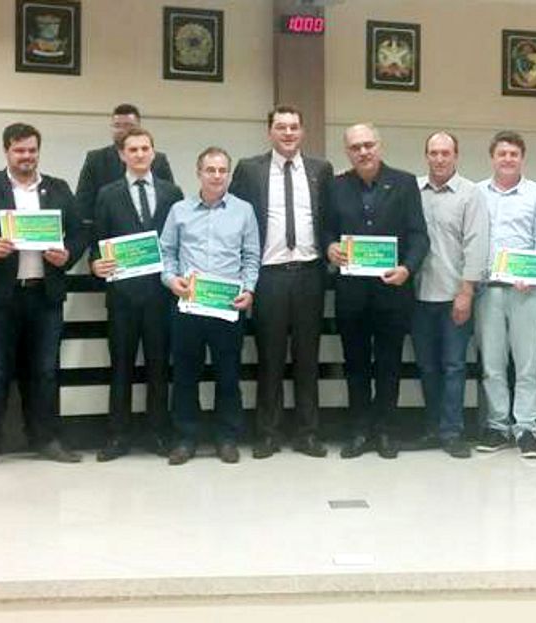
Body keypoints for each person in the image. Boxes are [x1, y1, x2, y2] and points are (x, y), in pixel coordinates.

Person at [0, 122, 89, 471]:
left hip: (45, 295)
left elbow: (79, 234)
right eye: (19, 150)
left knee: (45, 371)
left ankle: (46, 439)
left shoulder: (57, 188)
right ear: (6, 152)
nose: (26, 156)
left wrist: (67, 254)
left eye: (32, 150)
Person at [228, 105, 334, 459]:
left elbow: (329, 219)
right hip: (269, 275)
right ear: (269, 132)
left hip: (309, 273)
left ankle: (307, 433)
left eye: (293, 127)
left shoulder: (321, 169)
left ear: (302, 131)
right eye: (281, 127)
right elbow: (238, 219)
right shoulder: (249, 169)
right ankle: (268, 433)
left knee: (307, 357)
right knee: (270, 357)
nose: (288, 133)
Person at [326, 123, 429, 459]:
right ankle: (358, 431)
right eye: (356, 147)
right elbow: (325, 229)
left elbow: (419, 236)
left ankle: (385, 431)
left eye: (368, 145)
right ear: (347, 152)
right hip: (351, 294)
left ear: (379, 146)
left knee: (389, 364)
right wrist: (329, 247)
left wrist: (407, 269)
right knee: (355, 364)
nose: (363, 152)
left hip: (392, 291)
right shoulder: (336, 186)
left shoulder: (404, 183)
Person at [159, 147, 260, 465]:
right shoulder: (179, 210)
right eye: (210, 170)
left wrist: (249, 290)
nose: (217, 176)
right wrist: (171, 280)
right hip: (188, 305)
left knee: (228, 374)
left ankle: (226, 438)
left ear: (228, 174)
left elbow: (251, 256)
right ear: (199, 173)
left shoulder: (244, 211)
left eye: (222, 170)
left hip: (227, 306)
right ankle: (185, 438)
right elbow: (166, 252)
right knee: (185, 374)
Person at [90, 128, 184, 461]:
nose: (140, 154)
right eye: (133, 149)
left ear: (154, 152)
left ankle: (159, 433)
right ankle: (118, 436)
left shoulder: (172, 192)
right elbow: (97, 240)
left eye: (145, 148)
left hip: (161, 295)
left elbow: (180, 241)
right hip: (122, 297)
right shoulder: (107, 194)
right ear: (122, 155)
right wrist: (95, 263)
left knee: (159, 367)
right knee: (121, 368)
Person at [474, 131, 536, 458]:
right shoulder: (476, 193)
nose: (507, 159)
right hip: (487, 291)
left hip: (527, 292)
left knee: (527, 363)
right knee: (492, 364)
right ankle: (497, 425)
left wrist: (532, 276)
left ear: (522, 158)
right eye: (502, 153)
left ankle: (526, 428)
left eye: (513, 154)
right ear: (492, 157)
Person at [409, 131, 488, 458]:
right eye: (434, 153)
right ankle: (432, 429)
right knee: (427, 366)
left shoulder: (471, 194)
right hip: (418, 295)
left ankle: (452, 432)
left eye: (445, 153)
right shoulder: (412, 190)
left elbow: (476, 245)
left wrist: (466, 292)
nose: (439, 159)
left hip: (455, 294)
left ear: (456, 156)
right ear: (426, 155)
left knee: (454, 366)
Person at [75, 103, 175, 225]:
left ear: (138, 127)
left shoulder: (158, 160)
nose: (122, 130)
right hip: (111, 230)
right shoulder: (96, 159)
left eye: (128, 125)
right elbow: (83, 204)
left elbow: (170, 200)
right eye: (117, 126)